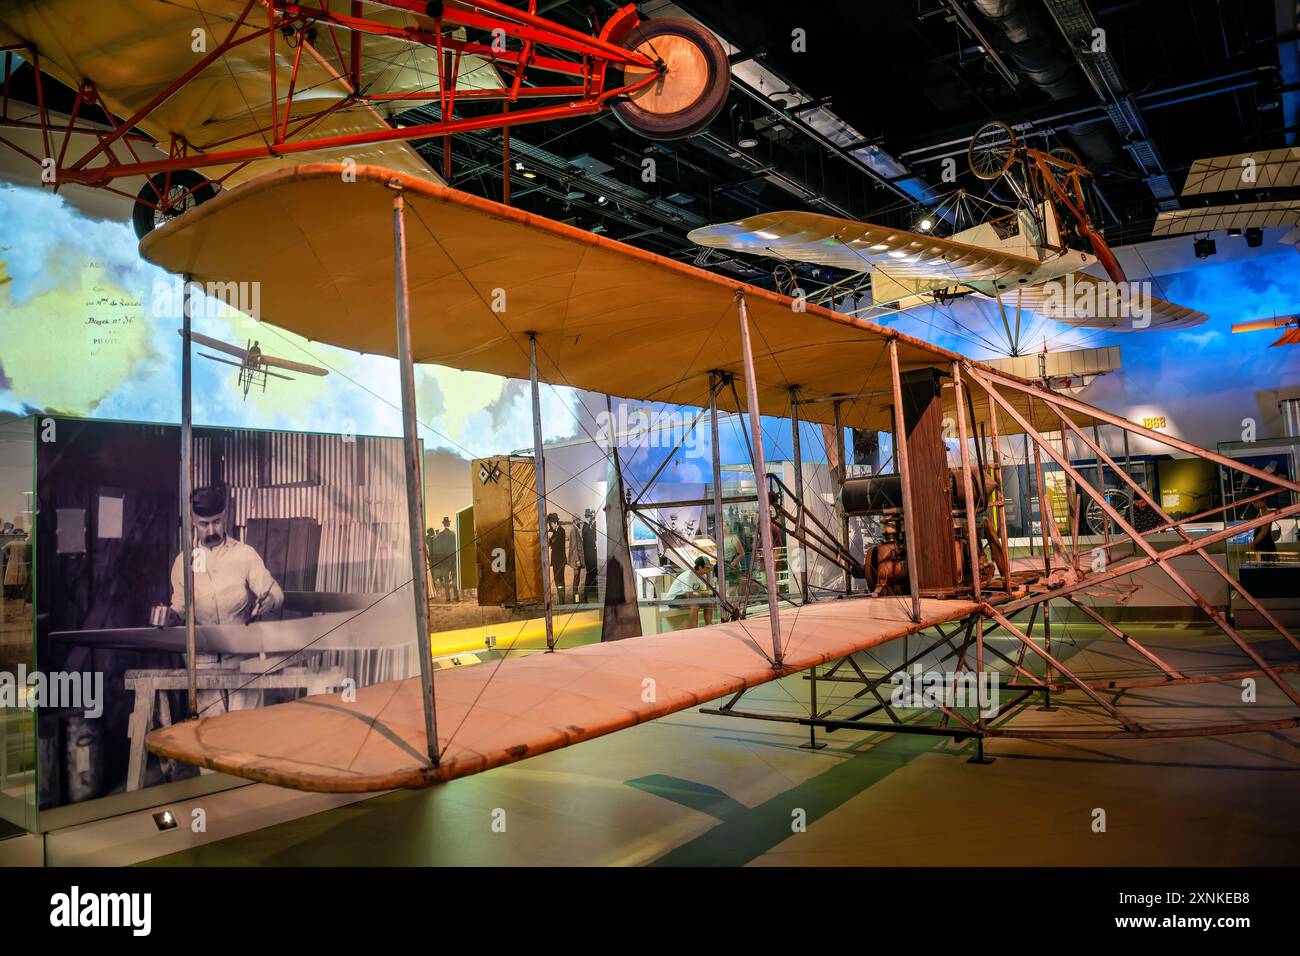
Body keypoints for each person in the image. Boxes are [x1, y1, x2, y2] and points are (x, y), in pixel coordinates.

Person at [150, 484, 283, 626]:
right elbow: (181, 606)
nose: (211, 531)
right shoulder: (185, 560)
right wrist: (171, 615)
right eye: (204, 524)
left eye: (217, 522)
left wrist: (270, 599)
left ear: (225, 516)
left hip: (239, 642)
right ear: (193, 521)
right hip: (203, 645)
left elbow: (274, 591)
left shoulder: (244, 554)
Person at [546, 512, 567, 606]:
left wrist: (550, 536)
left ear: (555, 522)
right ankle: (560, 598)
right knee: (556, 580)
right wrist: (550, 535)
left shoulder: (561, 531)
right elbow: (550, 544)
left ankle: (562, 600)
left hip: (560, 560)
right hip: (555, 560)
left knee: (560, 580)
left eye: (551, 523)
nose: (550, 525)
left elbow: (553, 542)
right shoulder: (554, 531)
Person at [581, 507, 599, 603]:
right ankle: (586, 595)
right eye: (591, 516)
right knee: (590, 574)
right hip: (589, 556)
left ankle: (590, 594)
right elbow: (590, 538)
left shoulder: (589, 526)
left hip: (592, 555)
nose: (592, 518)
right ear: (589, 517)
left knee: (593, 574)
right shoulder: (585, 526)